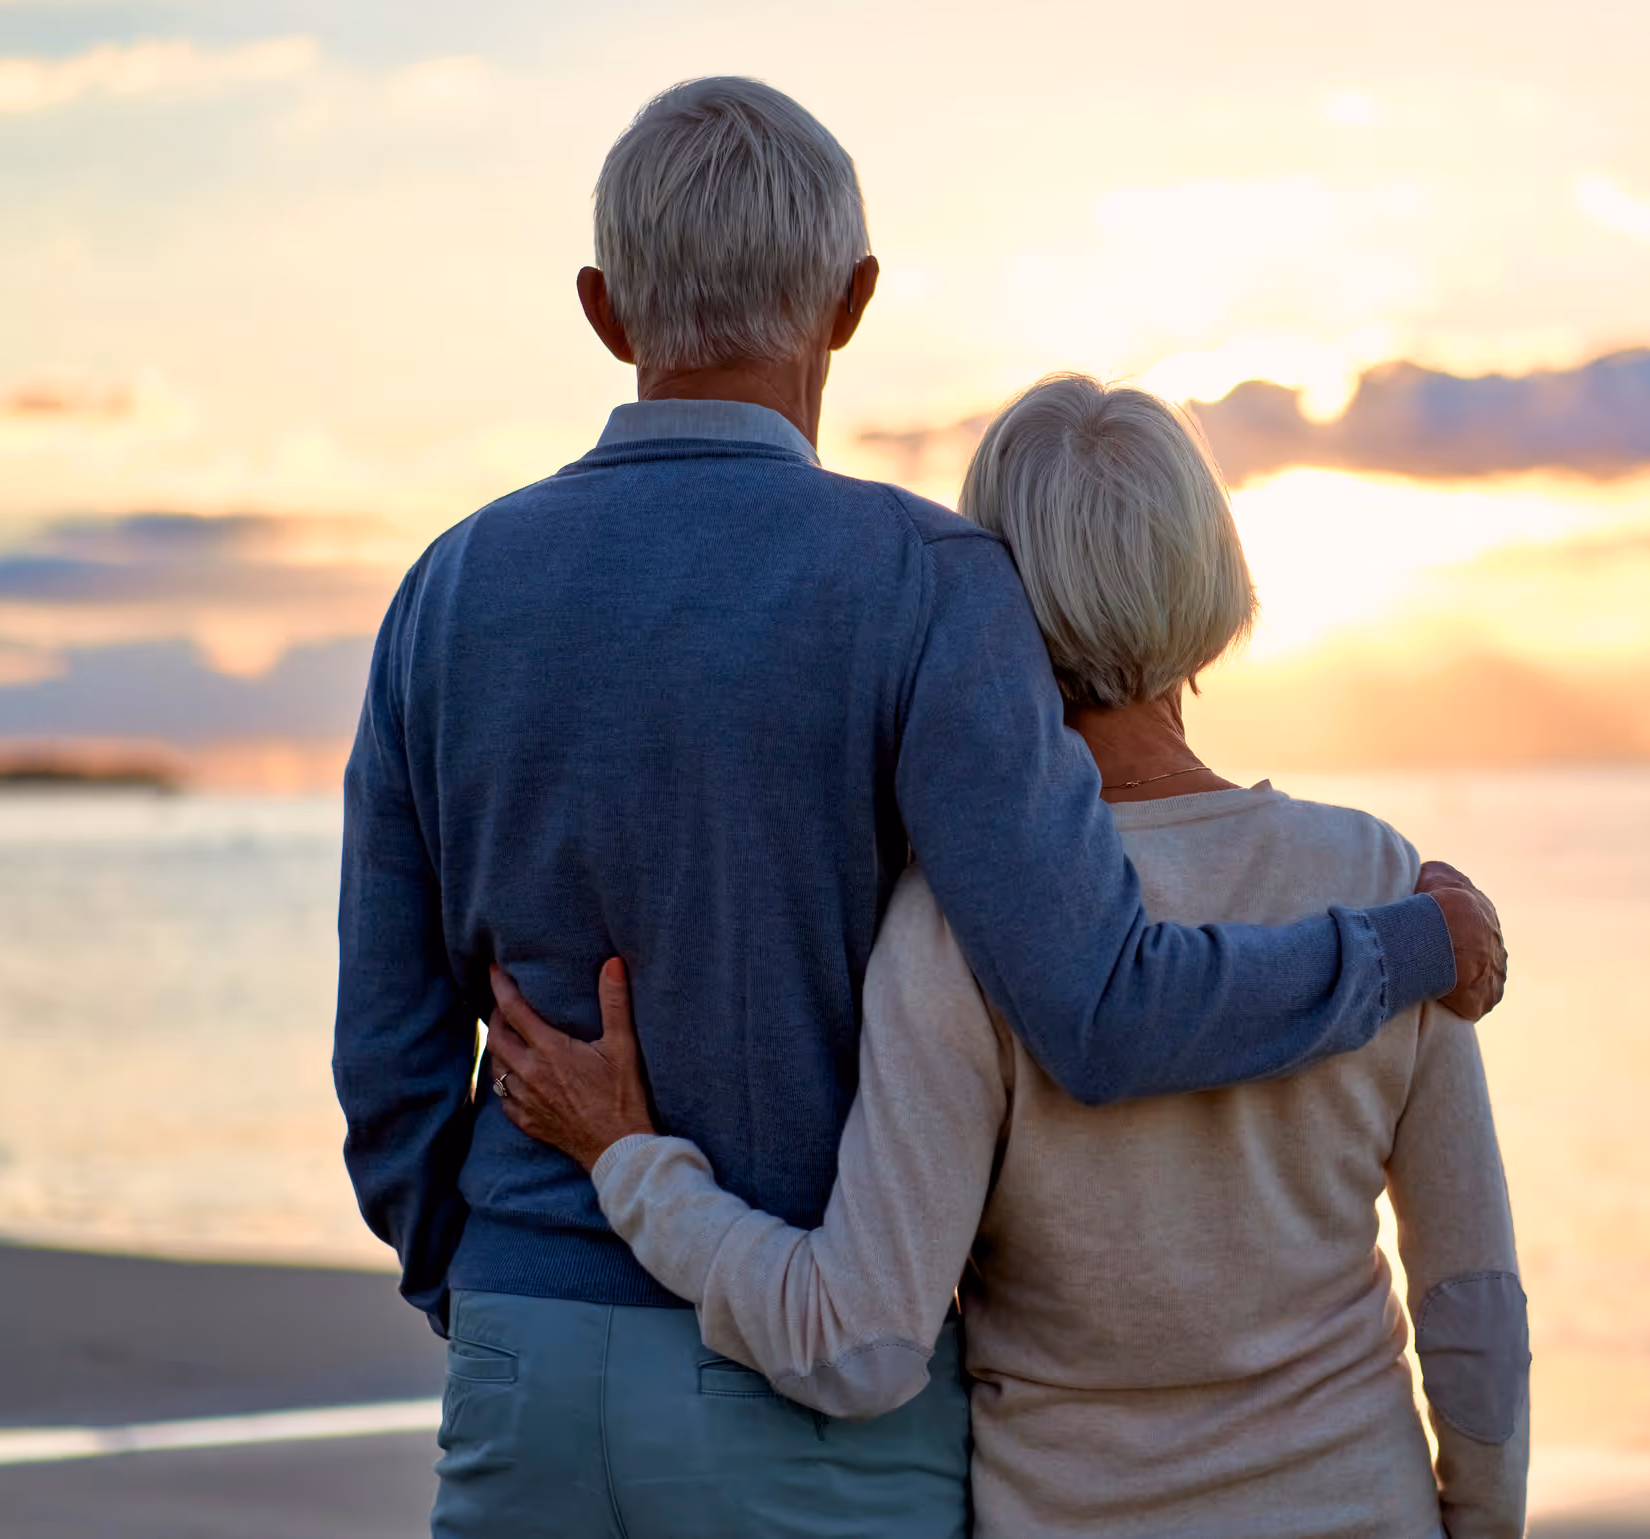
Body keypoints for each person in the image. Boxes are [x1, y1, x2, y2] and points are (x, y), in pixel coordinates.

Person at [331, 77, 1506, 1539]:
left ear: (602, 308)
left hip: (526, 1357)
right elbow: (1095, 1002)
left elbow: (387, 1053)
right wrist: (1405, 947)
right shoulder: (927, 581)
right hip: (805, 1399)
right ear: (852, 301)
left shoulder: (443, 591)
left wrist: (482, 1281)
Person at [485, 375, 1529, 1539]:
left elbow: (858, 1342)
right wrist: (1478, 1521)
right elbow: (1470, 1304)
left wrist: (629, 1161)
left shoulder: (954, 923)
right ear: (1212, 569)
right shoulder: (1383, 885)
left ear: (994, 604)